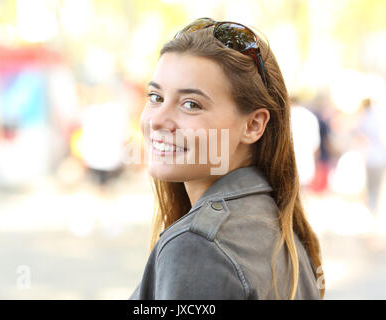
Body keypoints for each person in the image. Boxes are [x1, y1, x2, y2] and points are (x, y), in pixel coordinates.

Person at [129, 18, 324, 300]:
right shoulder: (275, 219)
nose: (158, 120)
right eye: (156, 97)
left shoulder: (197, 246)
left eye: (191, 104)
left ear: (254, 125)